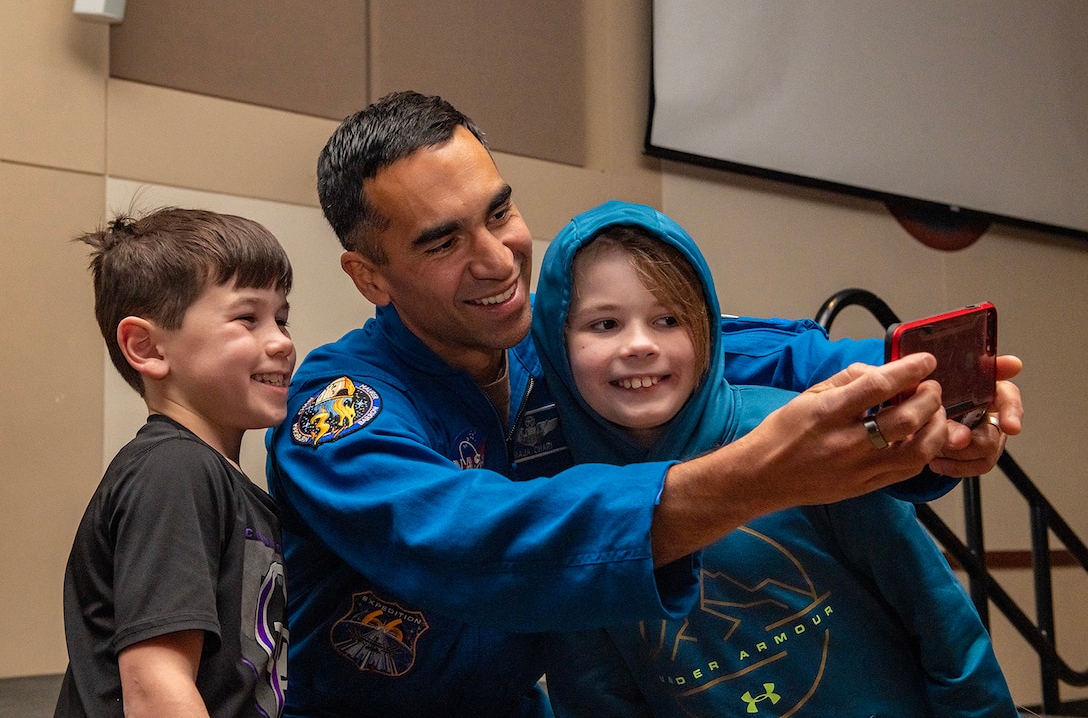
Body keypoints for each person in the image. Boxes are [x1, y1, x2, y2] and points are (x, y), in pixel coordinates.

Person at [266, 90, 1022, 717]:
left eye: (499, 212)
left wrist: (935, 393)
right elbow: (474, 541)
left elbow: (747, 351)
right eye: (443, 243)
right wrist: (755, 477)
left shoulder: (554, 346)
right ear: (369, 276)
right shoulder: (338, 414)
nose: (497, 260)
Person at [533, 200, 1018, 717]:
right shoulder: (569, 513)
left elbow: (941, 622)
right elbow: (595, 693)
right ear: (556, 344)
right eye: (604, 325)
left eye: (668, 319)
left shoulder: (800, 435)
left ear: (705, 330)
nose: (639, 344)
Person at [56, 209, 294, 718]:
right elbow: (156, 687)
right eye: (247, 318)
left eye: (282, 317)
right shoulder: (175, 472)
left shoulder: (217, 481)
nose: (281, 341)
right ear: (146, 346)